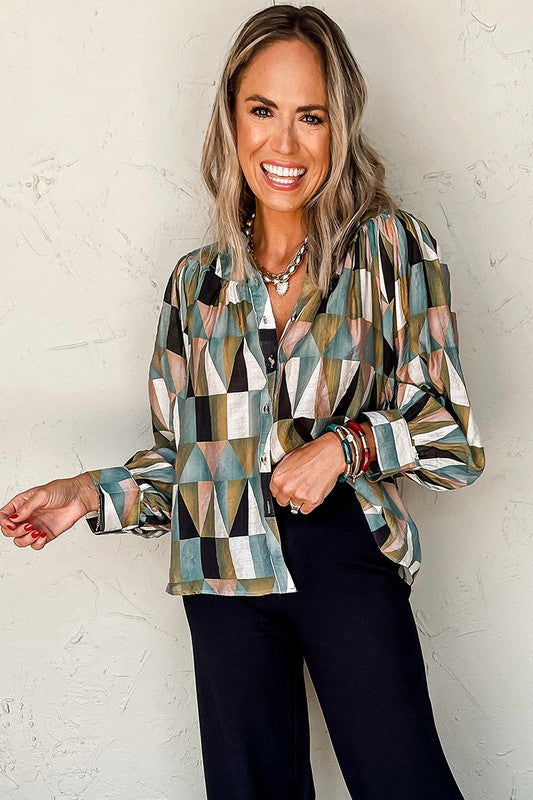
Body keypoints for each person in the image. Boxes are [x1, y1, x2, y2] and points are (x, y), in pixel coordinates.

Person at [0, 5, 486, 799]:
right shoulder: (195, 285)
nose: (284, 144)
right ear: (231, 117)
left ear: (341, 126)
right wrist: (85, 494)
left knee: (404, 783)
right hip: (219, 564)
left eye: (310, 117)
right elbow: (183, 461)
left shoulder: (392, 249)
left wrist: (345, 447)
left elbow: (454, 441)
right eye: (262, 110)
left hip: (343, 558)